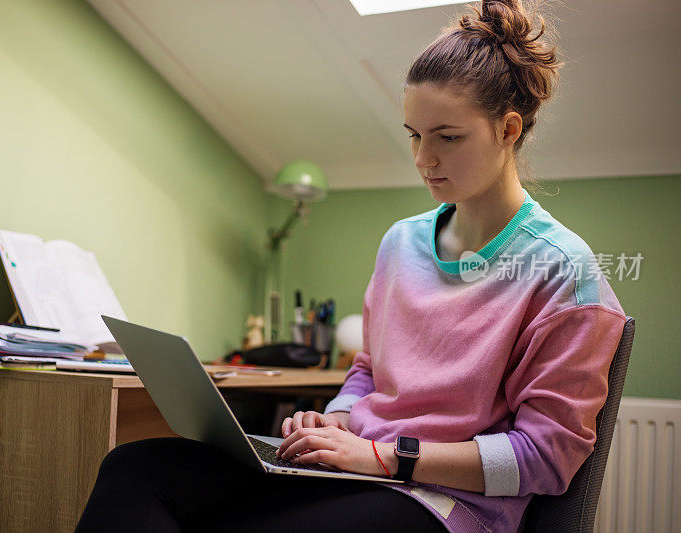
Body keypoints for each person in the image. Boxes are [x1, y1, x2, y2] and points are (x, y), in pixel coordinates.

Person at [76, 1, 627, 531]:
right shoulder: (401, 243)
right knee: (134, 470)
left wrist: (387, 457)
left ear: (508, 130)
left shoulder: (565, 274)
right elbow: (367, 369)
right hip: (353, 466)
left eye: (448, 137)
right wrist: (336, 417)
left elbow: (546, 461)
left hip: (441, 501)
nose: (423, 160)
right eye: (414, 135)